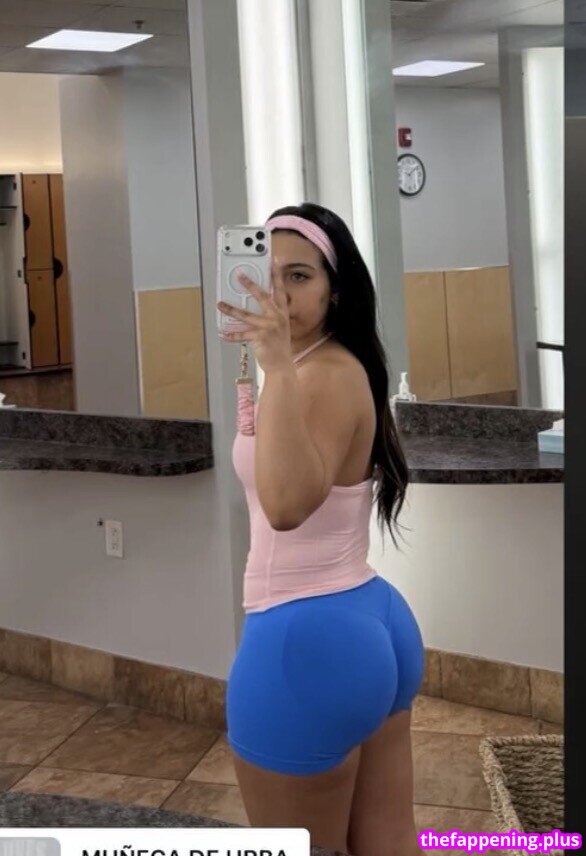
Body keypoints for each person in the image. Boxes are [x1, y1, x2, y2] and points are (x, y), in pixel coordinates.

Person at [217, 203, 425, 856]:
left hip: (303, 640)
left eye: (300, 275)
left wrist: (277, 367)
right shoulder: (331, 365)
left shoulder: (315, 377)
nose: (278, 292)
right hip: (366, 619)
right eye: (268, 273)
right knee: (389, 840)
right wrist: (275, 366)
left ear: (336, 290)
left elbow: (285, 507)